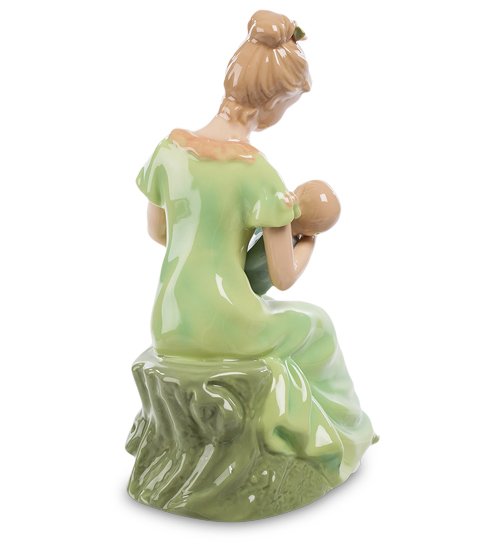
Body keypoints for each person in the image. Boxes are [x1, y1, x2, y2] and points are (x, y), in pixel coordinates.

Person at [136, 9, 375, 490]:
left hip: (169, 318)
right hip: (228, 321)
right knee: (317, 324)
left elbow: (159, 234)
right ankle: (339, 436)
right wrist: (308, 240)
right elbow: (283, 277)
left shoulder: (168, 151)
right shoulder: (259, 175)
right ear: (273, 103)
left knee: (280, 313)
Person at [245, 179, 341, 295]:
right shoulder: (277, 220)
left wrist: (309, 241)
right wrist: (310, 240)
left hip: (249, 285)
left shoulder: (282, 228)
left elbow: (284, 280)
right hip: (245, 279)